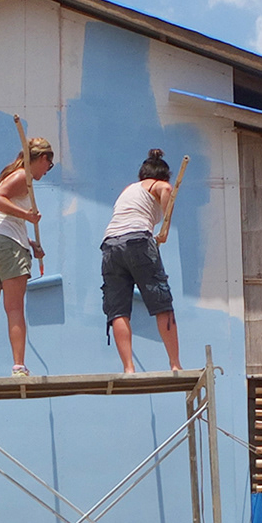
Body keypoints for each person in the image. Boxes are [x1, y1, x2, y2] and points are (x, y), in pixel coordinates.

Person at [0, 137, 54, 378]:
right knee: (14, 308)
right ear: (43, 158)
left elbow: (1, 219)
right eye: (49, 165)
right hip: (6, 247)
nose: (47, 171)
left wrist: (30, 242)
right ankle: (18, 366)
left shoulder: (6, 177)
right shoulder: (21, 177)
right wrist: (27, 215)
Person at [99, 148, 184, 374]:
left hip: (110, 246)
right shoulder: (155, 184)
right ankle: (174, 363)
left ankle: (128, 367)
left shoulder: (130, 189)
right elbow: (166, 189)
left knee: (118, 310)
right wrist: (165, 226)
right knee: (161, 302)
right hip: (138, 242)